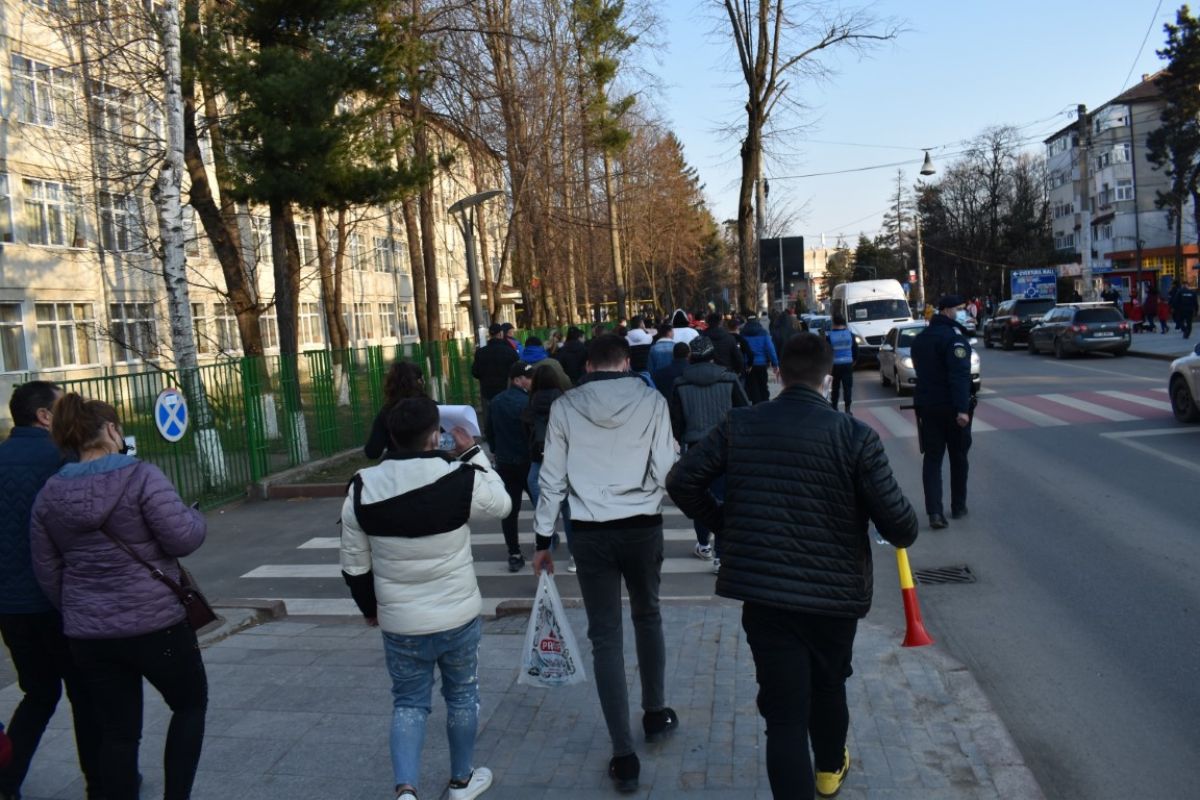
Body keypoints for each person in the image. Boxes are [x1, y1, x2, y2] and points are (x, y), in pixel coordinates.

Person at [666, 332, 918, 800]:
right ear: (828, 378)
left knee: (783, 717)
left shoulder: (741, 424)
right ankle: (829, 772)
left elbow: (683, 480)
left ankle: (817, 775)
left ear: (777, 373)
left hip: (766, 595)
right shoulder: (854, 436)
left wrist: (726, 524)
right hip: (834, 597)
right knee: (829, 685)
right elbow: (901, 526)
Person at [30, 394, 208, 800]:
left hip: (90, 636)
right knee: (189, 706)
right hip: (157, 626)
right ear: (112, 430)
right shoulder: (142, 477)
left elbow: (47, 570)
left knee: (118, 732)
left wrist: (80, 607)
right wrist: (195, 516)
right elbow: (182, 538)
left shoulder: (49, 494)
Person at [340, 396, 511, 800]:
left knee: (408, 704)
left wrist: (370, 610)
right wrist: (472, 452)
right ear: (435, 436)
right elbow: (503, 505)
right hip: (457, 617)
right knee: (462, 696)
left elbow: (354, 566)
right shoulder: (460, 477)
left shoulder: (362, 487)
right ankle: (462, 782)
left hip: (401, 623)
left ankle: (406, 791)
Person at [530, 334, 678, 794]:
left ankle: (623, 755)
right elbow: (666, 468)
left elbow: (552, 480)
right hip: (642, 526)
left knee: (605, 638)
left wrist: (542, 540)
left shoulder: (566, 407)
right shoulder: (652, 402)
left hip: (591, 532)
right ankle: (655, 713)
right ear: (627, 362)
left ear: (589, 366)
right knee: (648, 615)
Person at [0, 382, 104, 800]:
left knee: (39, 693)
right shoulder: (63, 458)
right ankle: (101, 784)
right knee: (85, 694)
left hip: (10, 606)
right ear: (44, 416)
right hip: (59, 601)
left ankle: (7, 782)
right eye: (61, 407)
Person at [668, 336, 748, 573]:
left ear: (690, 357)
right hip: (727, 446)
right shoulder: (729, 379)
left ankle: (703, 545)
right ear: (713, 356)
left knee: (699, 498)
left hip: (695, 447)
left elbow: (676, 422)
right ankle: (721, 556)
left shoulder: (680, 384)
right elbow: (744, 411)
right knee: (724, 500)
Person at [911, 295, 975, 529]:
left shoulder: (920, 339)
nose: (960, 313)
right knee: (958, 457)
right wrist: (963, 409)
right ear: (947, 311)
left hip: (928, 408)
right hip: (952, 408)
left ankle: (935, 513)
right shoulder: (953, 339)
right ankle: (958, 506)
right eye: (958, 309)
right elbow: (959, 376)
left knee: (932, 459)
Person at [522, 361, 575, 572]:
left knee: (544, 511)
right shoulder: (566, 402)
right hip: (564, 461)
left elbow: (526, 434)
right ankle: (574, 557)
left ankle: (546, 554)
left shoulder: (530, 403)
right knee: (569, 512)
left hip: (539, 462)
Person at [485, 361, 534, 572]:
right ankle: (546, 540)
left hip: (505, 463)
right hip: (528, 462)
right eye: (528, 377)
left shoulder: (496, 401)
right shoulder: (529, 402)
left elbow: (489, 431)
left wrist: (495, 449)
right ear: (517, 380)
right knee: (541, 504)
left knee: (510, 511)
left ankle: (514, 553)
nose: (531, 381)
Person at [365, 361, 427, 459]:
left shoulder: (386, 412)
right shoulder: (434, 408)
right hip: (430, 465)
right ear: (420, 382)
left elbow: (372, 451)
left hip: (396, 465)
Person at [471, 323, 520, 418]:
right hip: (506, 389)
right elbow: (516, 370)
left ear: (490, 335)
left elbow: (475, 372)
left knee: (492, 416)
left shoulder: (480, 352)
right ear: (501, 334)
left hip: (488, 392)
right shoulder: (510, 351)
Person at [740, 315, 779, 405]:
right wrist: (775, 364)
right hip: (762, 364)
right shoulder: (763, 333)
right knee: (763, 386)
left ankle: (756, 405)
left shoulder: (743, 333)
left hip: (749, 365)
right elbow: (771, 349)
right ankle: (764, 405)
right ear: (757, 321)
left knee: (752, 387)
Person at [825, 313, 858, 415]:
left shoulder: (830, 336)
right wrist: (854, 361)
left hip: (835, 365)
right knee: (847, 387)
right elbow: (856, 349)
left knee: (835, 387)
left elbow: (827, 352)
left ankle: (834, 407)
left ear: (834, 323)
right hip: (848, 364)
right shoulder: (850, 335)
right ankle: (847, 409)